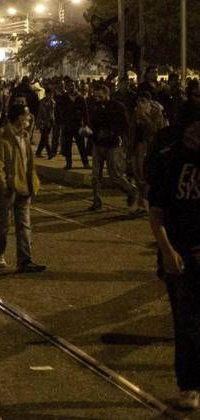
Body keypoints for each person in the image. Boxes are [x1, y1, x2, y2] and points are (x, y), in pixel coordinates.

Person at [146, 109, 200, 410]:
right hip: (179, 253)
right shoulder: (171, 161)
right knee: (186, 322)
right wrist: (168, 251)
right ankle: (190, 384)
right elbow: (157, 212)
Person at [0, 103, 46, 272]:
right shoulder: (2, 136)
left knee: (24, 224)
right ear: (19, 117)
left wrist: (33, 181)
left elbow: (28, 163)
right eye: (26, 115)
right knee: (4, 223)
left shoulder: (25, 136)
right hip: (8, 188)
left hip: (24, 186)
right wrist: (2, 184)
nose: (29, 118)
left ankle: (25, 260)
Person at [88, 84, 137, 211]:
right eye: (95, 96)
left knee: (115, 174)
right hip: (98, 143)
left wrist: (116, 134)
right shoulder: (94, 107)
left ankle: (131, 190)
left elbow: (125, 125)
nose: (97, 98)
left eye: (99, 96)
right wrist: (88, 131)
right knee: (95, 175)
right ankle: (96, 200)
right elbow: (92, 124)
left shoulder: (117, 107)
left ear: (106, 94)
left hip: (113, 144)